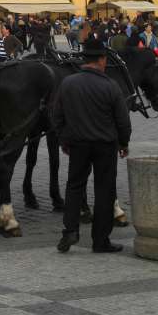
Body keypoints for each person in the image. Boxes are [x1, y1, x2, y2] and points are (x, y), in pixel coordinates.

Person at [52, 40, 131, 254]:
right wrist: (124, 143)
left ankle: (70, 231)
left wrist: (63, 140)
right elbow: (123, 121)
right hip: (105, 145)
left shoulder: (68, 83)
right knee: (104, 190)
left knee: (74, 186)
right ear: (102, 60)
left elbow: (56, 116)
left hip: (77, 144)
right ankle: (100, 240)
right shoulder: (111, 86)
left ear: (84, 60)